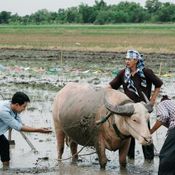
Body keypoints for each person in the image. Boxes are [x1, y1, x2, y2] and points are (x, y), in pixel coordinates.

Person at [108, 49, 163, 161]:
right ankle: (130, 159)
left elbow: (159, 84)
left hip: (142, 109)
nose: (127, 61)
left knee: (145, 133)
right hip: (129, 109)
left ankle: (149, 161)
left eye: (129, 59)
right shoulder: (123, 73)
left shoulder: (146, 72)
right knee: (128, 135)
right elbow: (110, 87)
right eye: (126, 59)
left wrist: (152, 100)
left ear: (136, 60)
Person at [0, 92, 52, 169]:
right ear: (17, 104)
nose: (24, 109)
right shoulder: (3, 111)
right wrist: (38, 130)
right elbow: (18, 127)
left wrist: (39, 128)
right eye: (24, 106)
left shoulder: (13, 107)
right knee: (4, 144)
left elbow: (20, 124)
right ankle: (5, 169)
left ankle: (6, 169)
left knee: (4, 144)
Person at [150, 95, 175, 175]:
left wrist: (150, 132)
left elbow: (163, 117)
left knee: (166, 156)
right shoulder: (173, 105)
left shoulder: (162, 103)